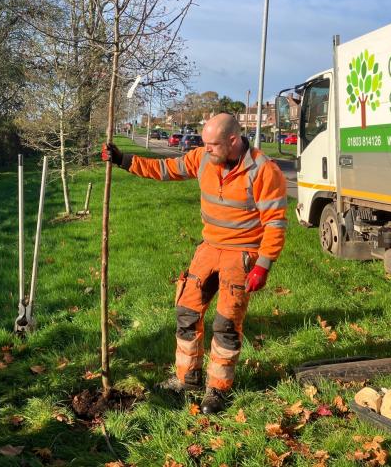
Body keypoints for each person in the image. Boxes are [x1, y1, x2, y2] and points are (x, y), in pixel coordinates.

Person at [103, 113, 287, 414]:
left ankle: (218, 389)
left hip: (241, 253)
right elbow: (164, 168)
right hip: (209, 248)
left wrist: (263, 265)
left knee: (226, 324)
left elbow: (276, 224)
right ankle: (186, 379)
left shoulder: (264, 171)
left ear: (232, 140)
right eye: (204, 143)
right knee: (187, 312)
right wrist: (123, 160)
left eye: (213, 144)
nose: (207, 149)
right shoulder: (203, 157)